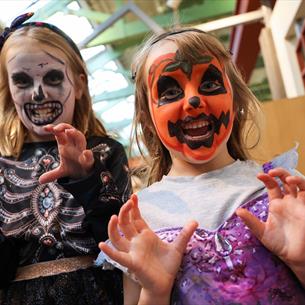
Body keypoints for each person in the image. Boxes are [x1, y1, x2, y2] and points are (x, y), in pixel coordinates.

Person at [98, 28, 305, 305]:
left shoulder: (281, 190)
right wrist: (155, 291)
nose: (193, 100)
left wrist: (302, 263)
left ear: (234, 99)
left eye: (209, 85)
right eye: (170, 91)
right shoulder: (141, 216)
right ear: (147, 117)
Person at [0, 13, 131, 305]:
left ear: (80, 84)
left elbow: (122, 242)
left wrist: (86, 179)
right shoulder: (3, 164)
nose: (38, 93)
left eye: (53, 78)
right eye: (21, 81)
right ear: (9, 91)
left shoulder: (105, 152)